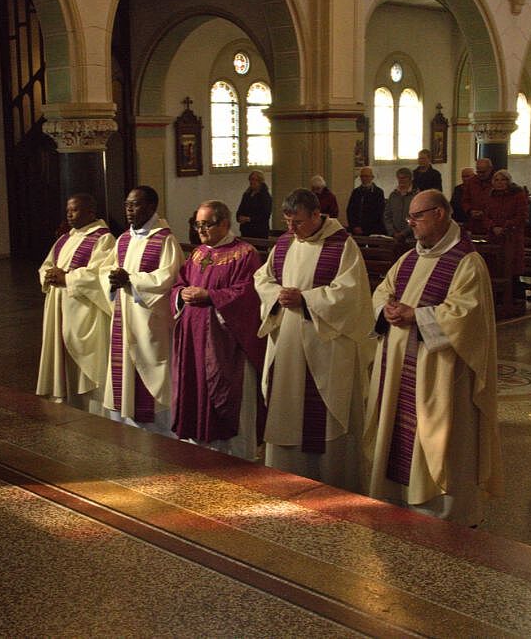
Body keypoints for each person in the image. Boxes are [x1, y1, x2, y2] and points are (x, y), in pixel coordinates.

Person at [364, 189, 502, 526]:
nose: (410, 223)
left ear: (440, 214)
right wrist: (388, 308)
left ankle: (443, 509)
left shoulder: (467, 261)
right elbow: (383, 290)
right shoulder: (411, 257)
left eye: (417, 216)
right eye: (410, 217)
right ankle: (397, 494)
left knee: (441, 439)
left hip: (441, 375)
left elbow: (465, 315)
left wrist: (416, 316)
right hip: (400, 367)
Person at [254, 189, 373, 491]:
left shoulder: (342, 245)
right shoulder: (283, 244)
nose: (291, 229)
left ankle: (334, 481)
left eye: (298, 223)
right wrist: (275, 295)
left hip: (326, 344)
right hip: (289, 342)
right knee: (288, 407)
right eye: (287, 222)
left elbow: (351, 293)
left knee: (326, 410)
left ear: (317, 216)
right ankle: (287, 476)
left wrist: (306, 300)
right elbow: (262, 278)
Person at [171, 200, 266, 459]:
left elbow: (248, 295)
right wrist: (181, 294)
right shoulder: (198, 253)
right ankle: (200, 449)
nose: (201, 231)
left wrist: (210, 296)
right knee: (197, 388)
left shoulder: (245, 254)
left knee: (226, 395)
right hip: (194, 338)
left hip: (225, 341)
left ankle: (235, 457)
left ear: (225, 223)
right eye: (197, 224)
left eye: (207, 225)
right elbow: (180, 282)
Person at [102, 186, 184, 434]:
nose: (129, 210)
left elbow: (169, 278)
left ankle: (161, 434)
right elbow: (109, 270)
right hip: (124, 316)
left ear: (151, 207)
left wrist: (132, 281)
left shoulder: (165, 239)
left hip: (149, 320)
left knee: (151, 374)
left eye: (135, 205)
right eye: (127, 204)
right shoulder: (123, 239)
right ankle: (127, 427)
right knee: (124, 370)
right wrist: (113, 279)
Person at [36, 193, 115, 414]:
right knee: (62, 354)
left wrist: (68, 278)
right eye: (68, 210)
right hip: (59, 305)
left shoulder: (103, 238)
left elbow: (100, 274)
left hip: (84, 311)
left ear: (91, 212)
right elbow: (47, 264)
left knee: (85, 361)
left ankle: (93, 407)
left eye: (75, 210)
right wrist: (48, 275)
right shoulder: (65, 239)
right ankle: (67, 400)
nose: (69, 214)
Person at [484, 169, 528, 284]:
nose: (499, 182)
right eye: (496, 180)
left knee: (511, 265)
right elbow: (486, 215)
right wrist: (493, 226)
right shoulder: (491, 195)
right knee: (494, 265)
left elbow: (521, 215)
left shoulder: (518, 195)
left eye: (503, 180)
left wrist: (505, 226)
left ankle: (514, 292)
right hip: (494, 235)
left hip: (511, 235)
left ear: (508, 181)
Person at [346, 166, 386, 235]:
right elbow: (350, 210)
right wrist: (354, 226)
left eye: (366, 176)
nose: (364, 178)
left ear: (372, 177)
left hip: (373, 229)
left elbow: (379, 212)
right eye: (362, 176)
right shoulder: (356, 192)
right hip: (356, 229)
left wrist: (365, 228)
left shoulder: (378, 192)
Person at [236, 170, 272, 238]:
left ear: (260, 181)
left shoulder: (265, 196)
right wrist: (239, 217)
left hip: (259, 231)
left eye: (255, 180)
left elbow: (266, 214)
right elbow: (240, 209)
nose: (252, 182)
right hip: (246, 230)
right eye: (251, 179)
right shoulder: (247, 195)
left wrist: (249, 219)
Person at [462, 157, 494, 234]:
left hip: (491, 222)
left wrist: (484, 212)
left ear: (490, 169)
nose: (480, 174)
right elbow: (465, 200)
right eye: (478, 172)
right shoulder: (471, 182)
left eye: (483, 172)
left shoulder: (496, 181)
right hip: (474, 222)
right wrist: (470, 211)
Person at [383, 167, 417, 241]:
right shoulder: (393, 195)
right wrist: (392, 232)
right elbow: (387, 216)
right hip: (394, 237)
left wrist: (404, 233)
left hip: (411, 237)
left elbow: (416, 217)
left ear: (410, 179)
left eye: (404, 178)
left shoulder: (416, 196)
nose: (401, 180)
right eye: (399, 178)